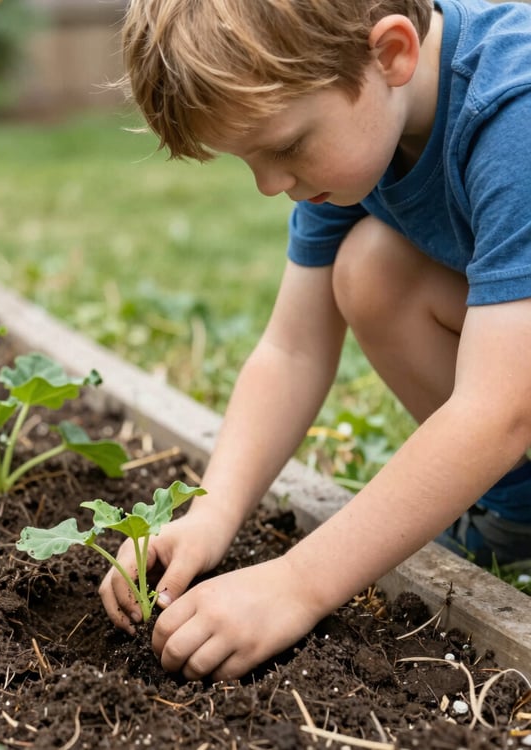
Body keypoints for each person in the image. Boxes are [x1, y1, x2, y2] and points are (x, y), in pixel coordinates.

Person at [98, 0, 531, 682]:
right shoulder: (371, 130)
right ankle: (518, 516)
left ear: (391, 54)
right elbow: (291, 350)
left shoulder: (514, 112)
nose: (272, 185)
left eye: (288, 146)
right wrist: (213, 514)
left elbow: (500, 412)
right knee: (372, 270)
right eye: (250, 161)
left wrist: (297, 583)